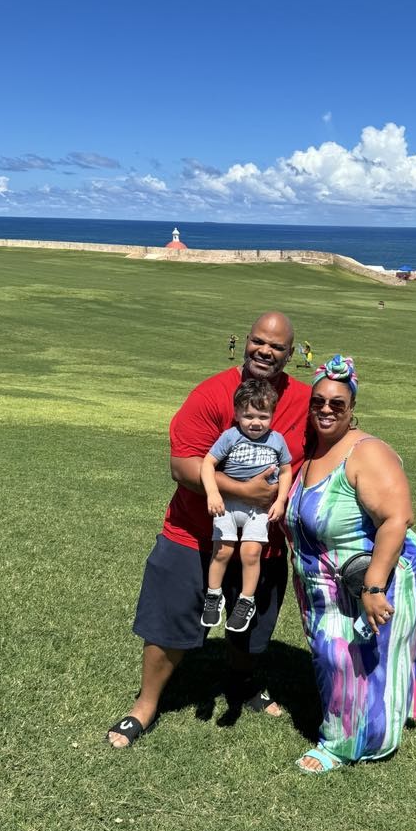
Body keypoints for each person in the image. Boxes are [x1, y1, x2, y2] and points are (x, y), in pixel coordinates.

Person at [107, 312, 310, 747]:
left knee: (248, 626)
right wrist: (243, 490)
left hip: (261, 538)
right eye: (258, 341)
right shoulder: (212, 393)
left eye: (276, 347)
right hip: (195, 533)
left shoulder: (304, 400)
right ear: (245, 342)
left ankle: (242, 684)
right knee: (168, 624)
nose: (265, 351)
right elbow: (183, 467)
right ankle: (145, 704)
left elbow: (325, 446)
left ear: (290, 354)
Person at [284, 355, 416, 773]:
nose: (326, 410)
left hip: (370, 577)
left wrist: (373, 588)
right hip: (326, 581)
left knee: (346, 659)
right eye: (318, 402)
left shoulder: (367, 453)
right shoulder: (316, 453)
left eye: (337, 404)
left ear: (352, 411)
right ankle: (379, 718)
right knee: (348, 658)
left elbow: (397, 517)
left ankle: (343, 744)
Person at [200, 379, 293, 633]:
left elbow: (286, 470)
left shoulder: (276, 440)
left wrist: (281, 500)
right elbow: (208, 464)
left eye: (263, 416)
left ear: (272, 415)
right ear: (237, 413)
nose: (255, 422)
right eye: (248, 415)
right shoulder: (230, 436)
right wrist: (212, 494)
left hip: (258, 509)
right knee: (222, 551)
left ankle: (246, 600)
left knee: (250, 554)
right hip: (228, 504)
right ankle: (213, 595)